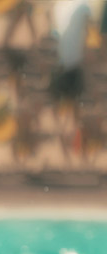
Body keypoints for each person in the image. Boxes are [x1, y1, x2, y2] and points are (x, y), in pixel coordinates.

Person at [49, 0, 92, 165]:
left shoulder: (59, 6)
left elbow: (54, 34)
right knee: (76, 114)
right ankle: (78, 156)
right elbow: (87, 35)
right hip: (73, 65)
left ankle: (67, 156)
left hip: (60, 64)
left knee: (63, 115)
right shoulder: (83, 6)